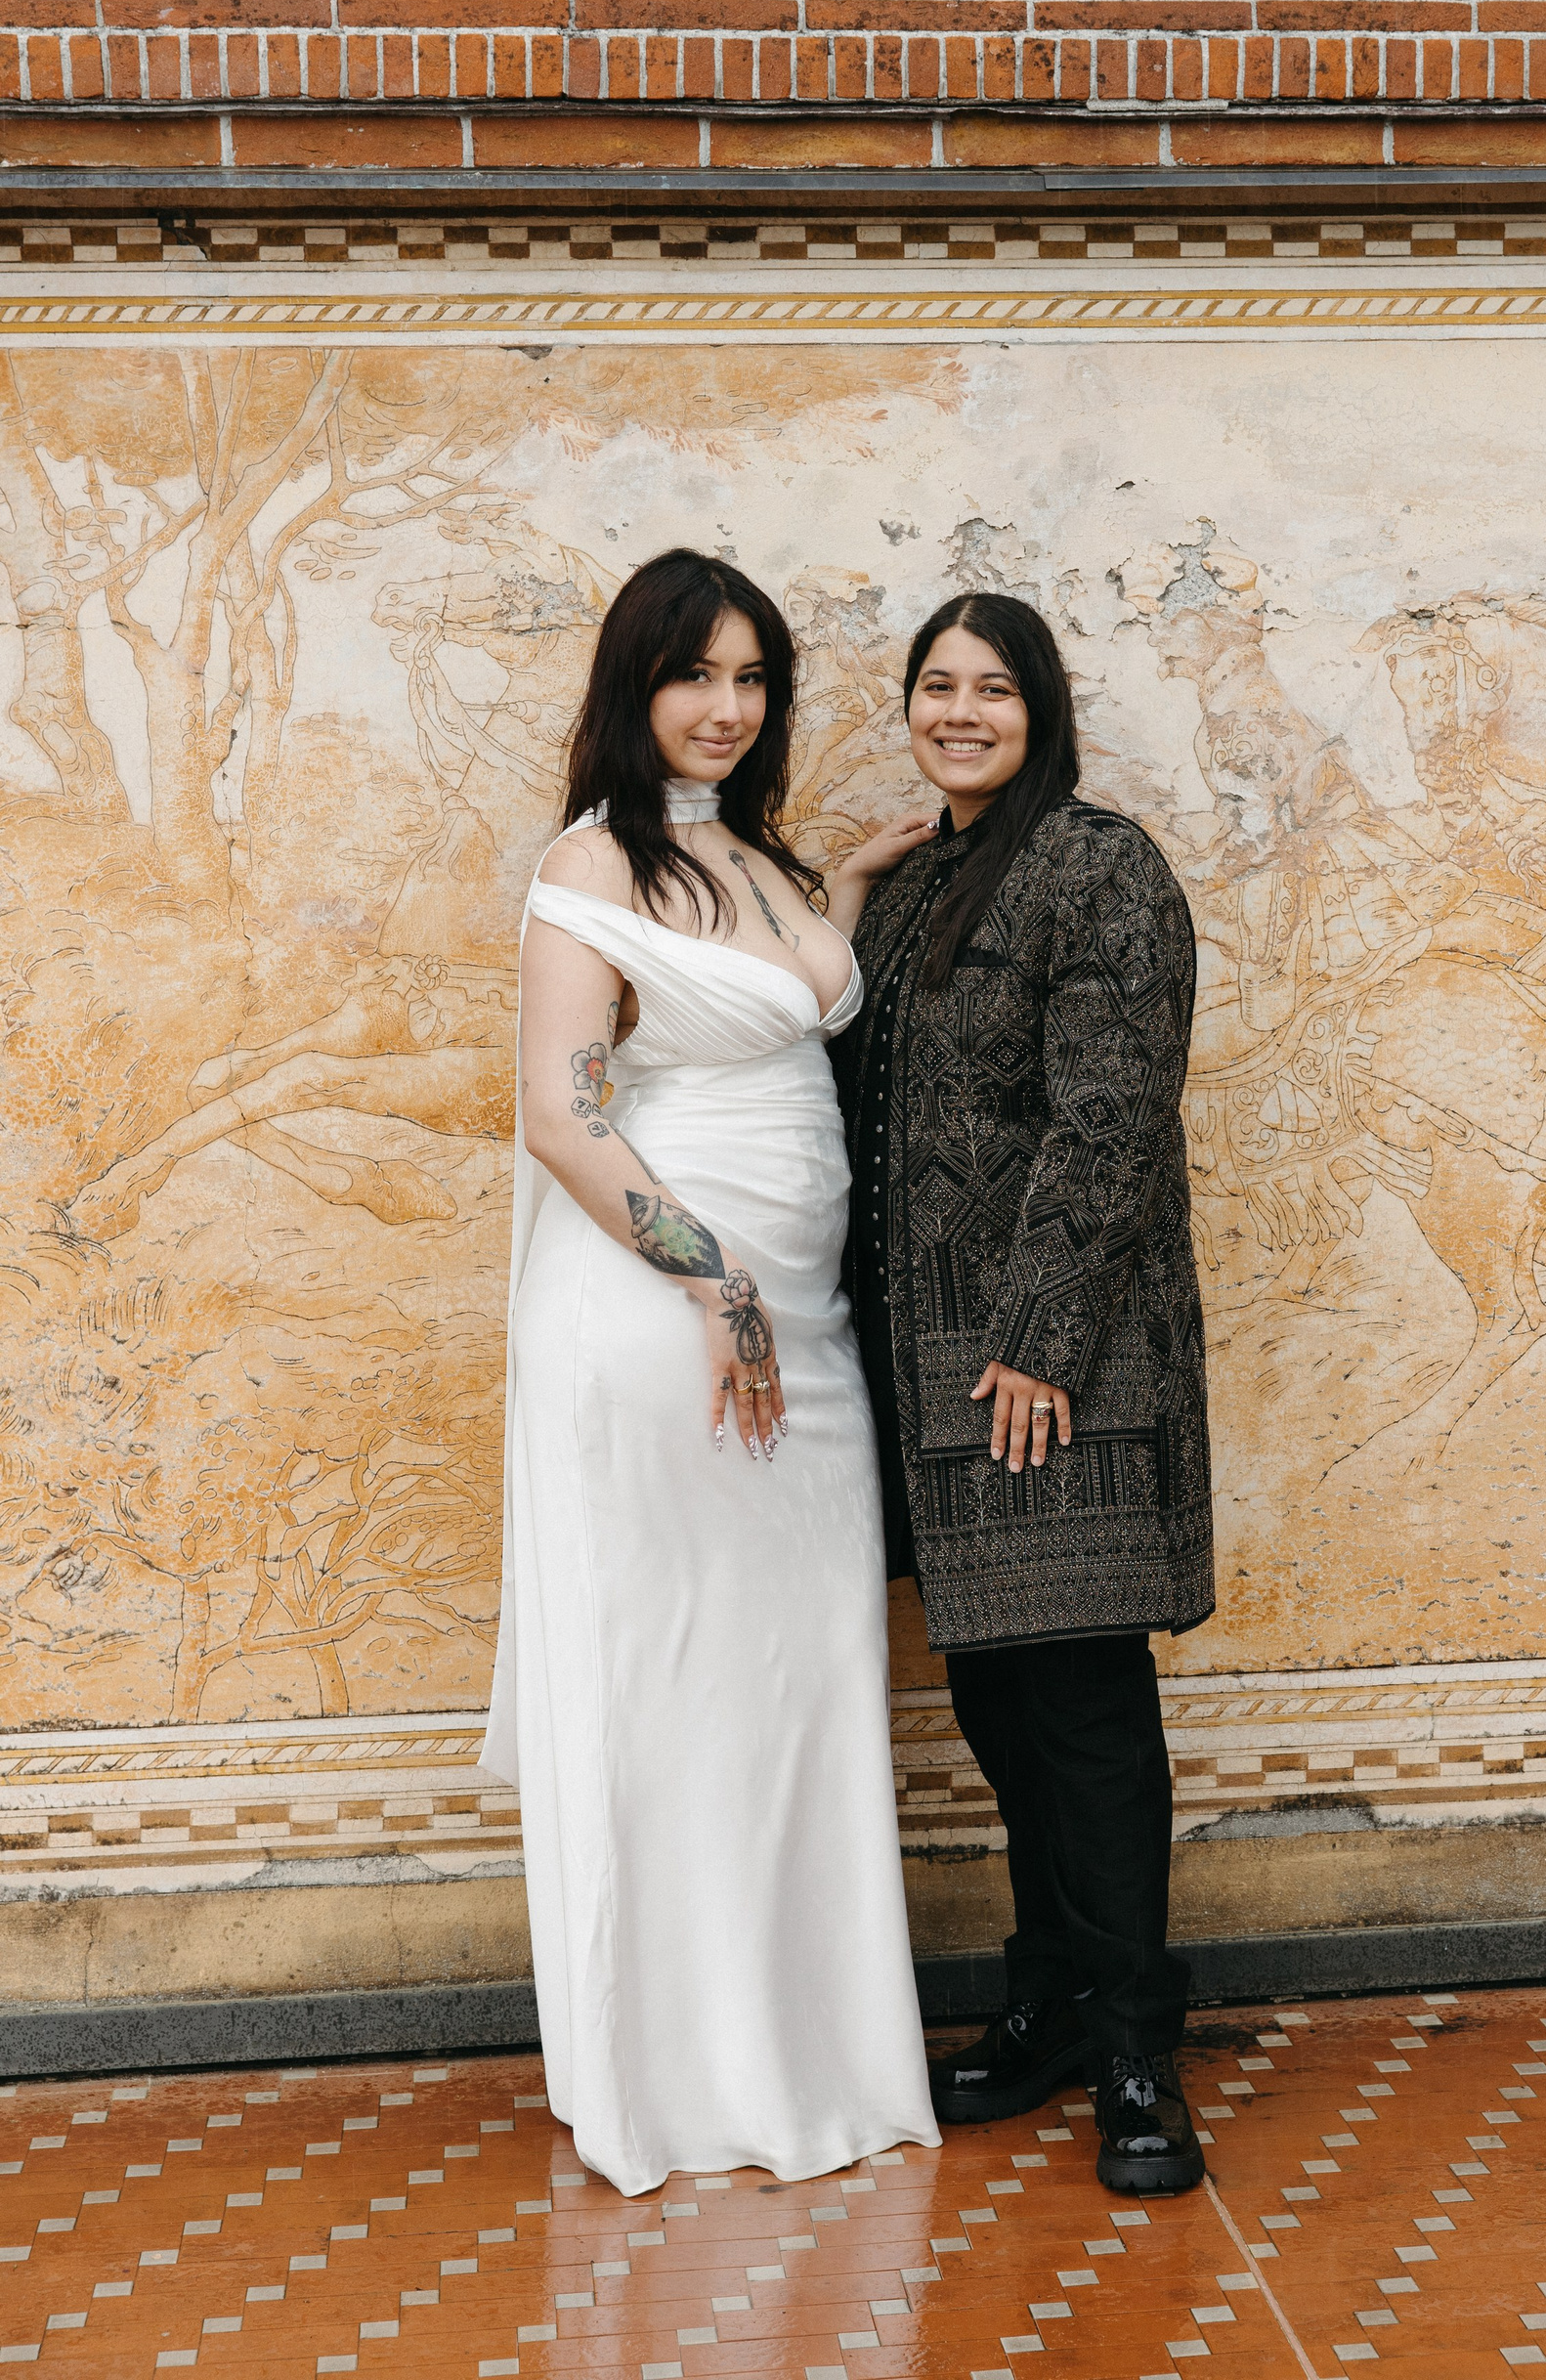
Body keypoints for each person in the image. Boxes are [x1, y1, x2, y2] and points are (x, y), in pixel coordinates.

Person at [482, 547, 939, 2197]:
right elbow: (563, 1113)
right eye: (696, 675)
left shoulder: (753, 854)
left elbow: (774, 1014)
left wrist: (850, 894)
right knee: (678, 1685)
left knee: (796, 1682)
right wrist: (716, 1281)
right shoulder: (589, 862)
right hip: (666, 1322)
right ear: (636, 684)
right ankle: (673, 2075)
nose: (726, 707)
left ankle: (807, 2052)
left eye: (753, 679)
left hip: (797, 1329)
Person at [825, 593, 1214, 2196]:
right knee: (996, 1695)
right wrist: (850, 893)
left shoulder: (1098, 865)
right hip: (929, 1368)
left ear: (1041, 710)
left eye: (994, 688)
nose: (962, 712)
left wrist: (1044, 1337)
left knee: (1084, 1703)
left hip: (1056, 1365)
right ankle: (1050, 1998)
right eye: (938, 685)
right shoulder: (920, 882)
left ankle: (1136, 2047)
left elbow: (1111, 1118)